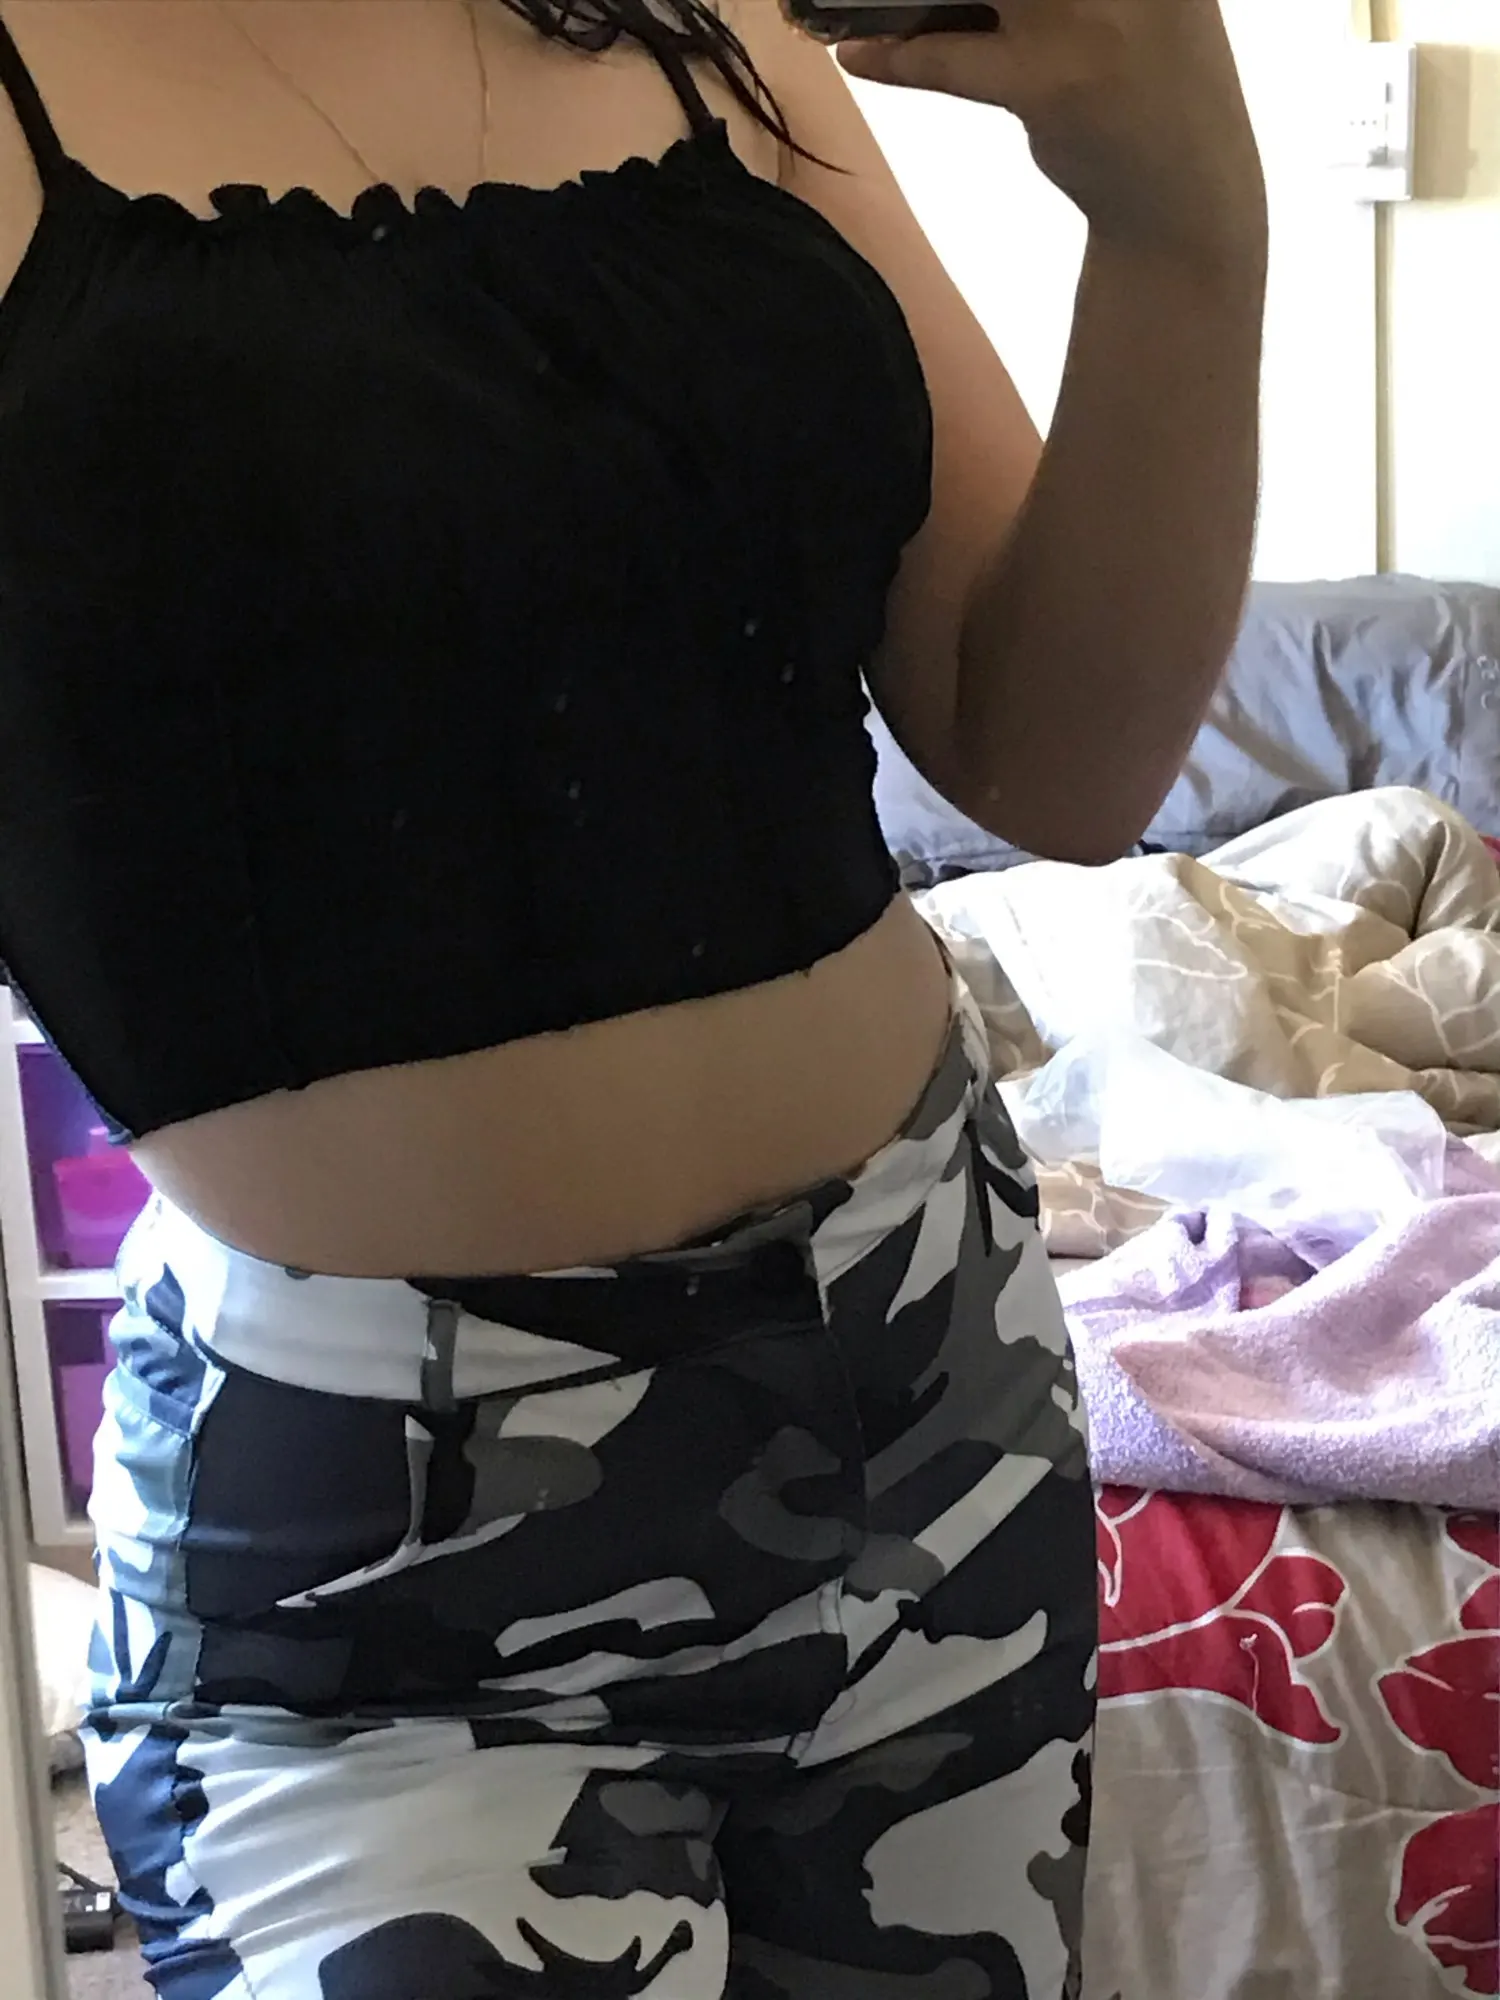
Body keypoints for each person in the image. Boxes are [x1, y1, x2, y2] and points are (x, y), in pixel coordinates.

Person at [0, 0, 1264, 1992]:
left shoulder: (708, 23)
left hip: (930, 1389)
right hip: (374, 1581)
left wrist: (1184, 218)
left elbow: (1057, 762)